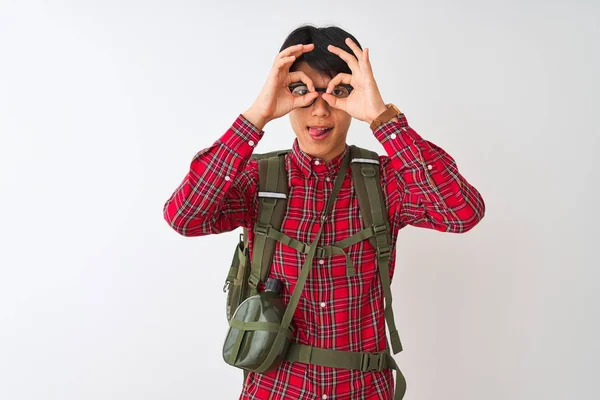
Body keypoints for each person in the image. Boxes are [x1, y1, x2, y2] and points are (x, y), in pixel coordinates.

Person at [163, 24, 485, 400]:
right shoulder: (258, 178)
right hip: (276, 388)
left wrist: (382, 118)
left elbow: (462, 213)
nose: (319, 110)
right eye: (302, 91)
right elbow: (183, 216)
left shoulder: (385, 182)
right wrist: (255, 117)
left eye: (338, 92)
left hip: (362, 389)